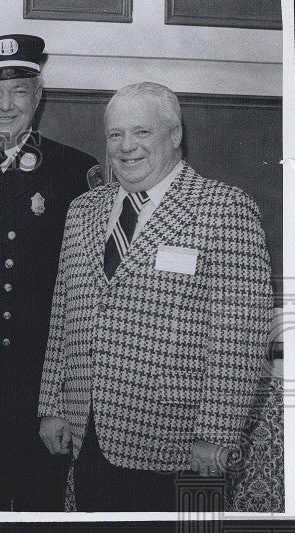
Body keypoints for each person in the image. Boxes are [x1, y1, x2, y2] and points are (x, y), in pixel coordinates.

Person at [38, 82, 273, 511]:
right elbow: (63, 316)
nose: (127, 147)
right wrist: (53, 404)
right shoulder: (83, 211)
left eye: (142, 132)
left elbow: (239, 338)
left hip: (182, 445)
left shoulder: (224, 209)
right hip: (89, 435)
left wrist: (216, 435)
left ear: (175, 135)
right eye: (115, 134)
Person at [0, 33, 99, 511]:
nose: (4, 104)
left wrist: (66, 392)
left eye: (19, 91)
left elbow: (83, 290)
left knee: (36, 507)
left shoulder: (73, 171)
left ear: (38, 97)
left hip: (38, 382)